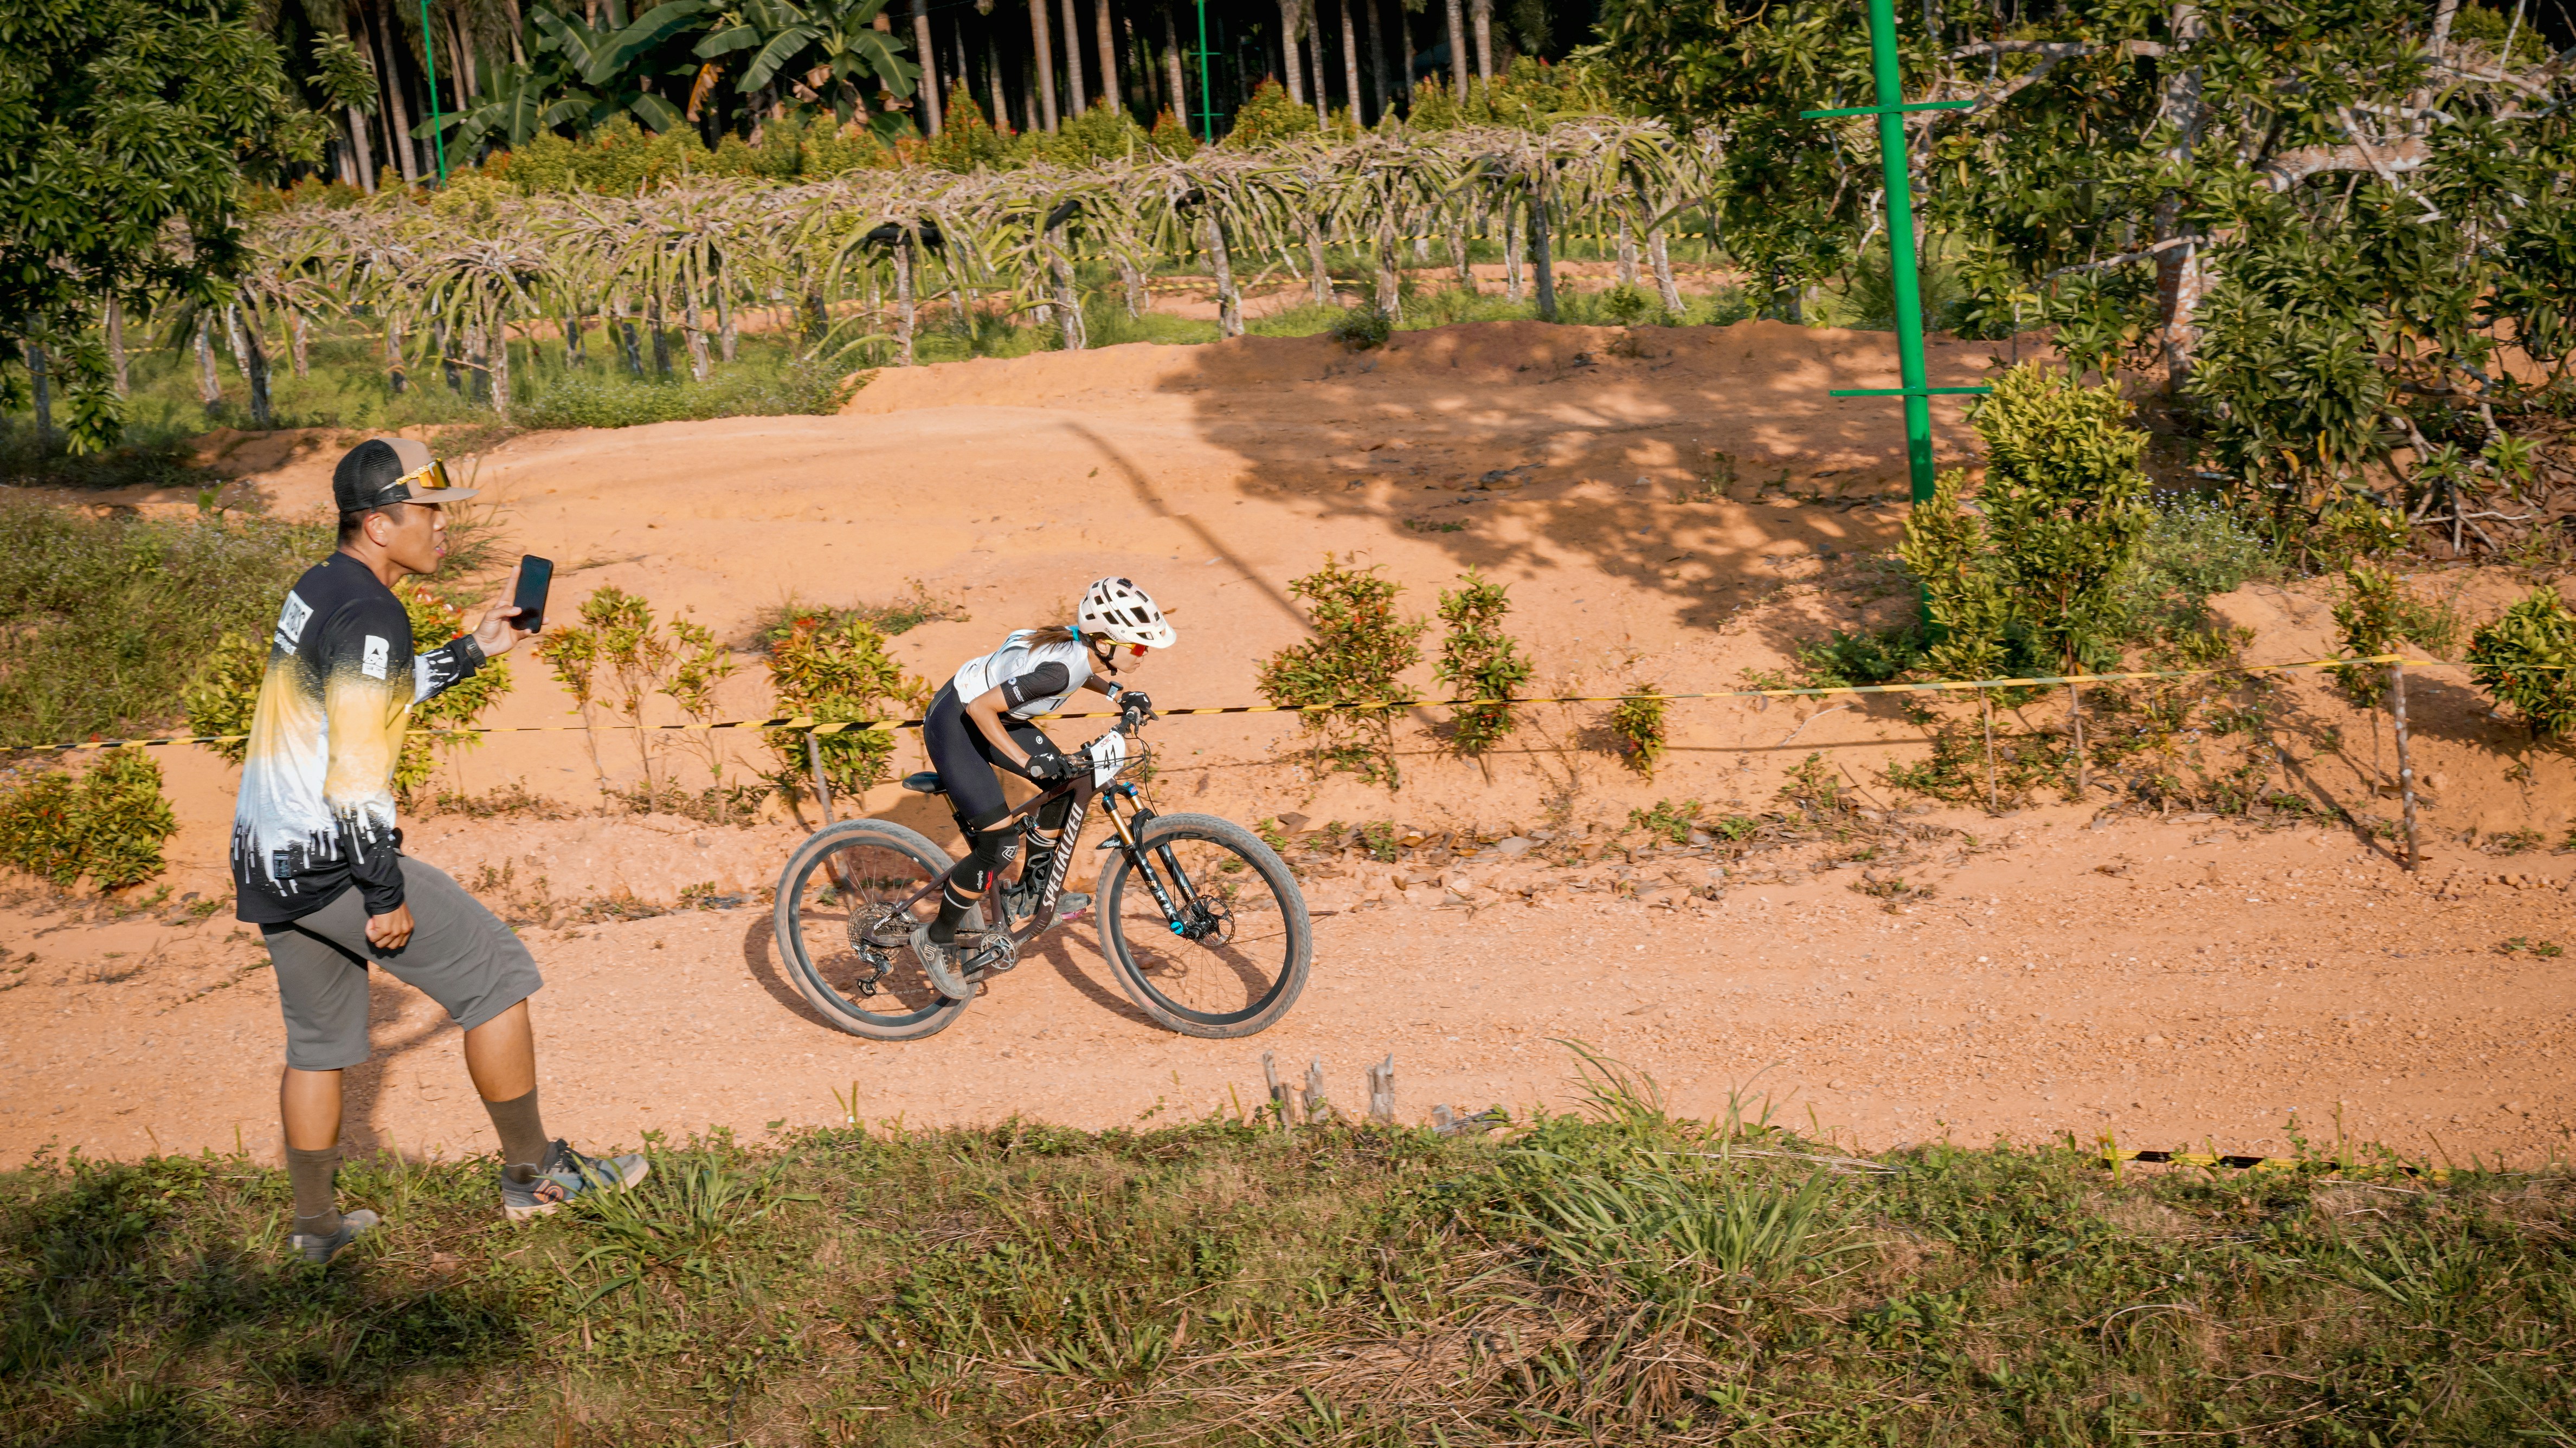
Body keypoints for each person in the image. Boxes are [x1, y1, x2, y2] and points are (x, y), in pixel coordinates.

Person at [233, 437, 646, 1265]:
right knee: (497, 977)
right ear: (379, 524)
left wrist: (474, 649)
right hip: (333, 860)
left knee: (319, 1045)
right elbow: (356, 773)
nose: (444, 527)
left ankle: (315, 1229)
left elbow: (364, 698)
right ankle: (535, 1178)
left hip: (267, 857)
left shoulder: (322, 587)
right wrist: (383, 893)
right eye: (429, 512)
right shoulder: (371, 613)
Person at [912, 577, 1173, 999]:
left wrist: (1118, 694)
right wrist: (1025, 761)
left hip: (998, 715)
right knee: (998, 845)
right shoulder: (1060, 669)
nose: (1144, 654)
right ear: (1105, 643)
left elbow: (1077, 675)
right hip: (959, 722)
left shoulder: (1080, 654)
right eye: (1140, 647)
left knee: (1067, 783)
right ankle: (935, 937)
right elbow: (982, 708)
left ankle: (1031, 894)